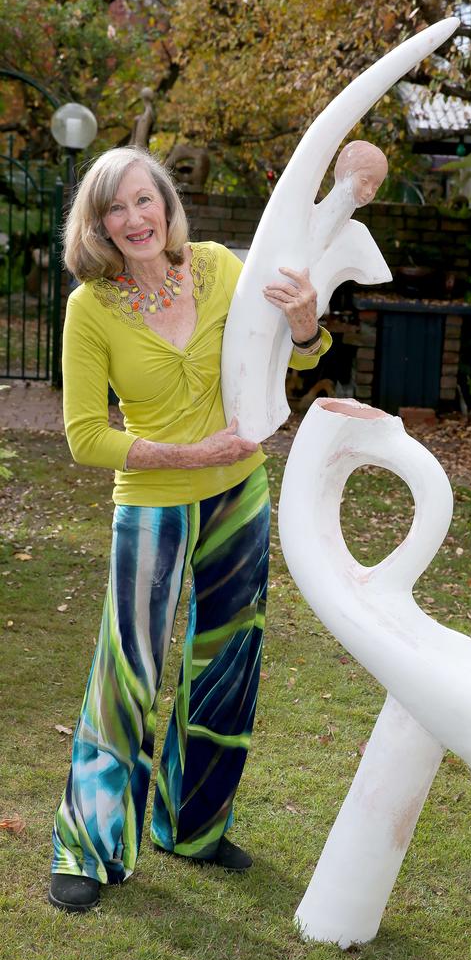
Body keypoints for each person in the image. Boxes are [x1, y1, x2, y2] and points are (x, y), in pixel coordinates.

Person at [48, 145, 331, 913]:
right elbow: (83, 437)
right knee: (127, 670)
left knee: (228, 661)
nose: (135, 219)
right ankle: (88, 845)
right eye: (116, 208)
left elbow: (289, 355)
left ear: (168, 205)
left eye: (146, 200)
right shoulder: (90, 308)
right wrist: (188, 453)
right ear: (98, 223)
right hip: (151, 500)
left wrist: (307, 325)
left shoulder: (217, 269)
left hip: (239, 492)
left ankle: (194, 825)